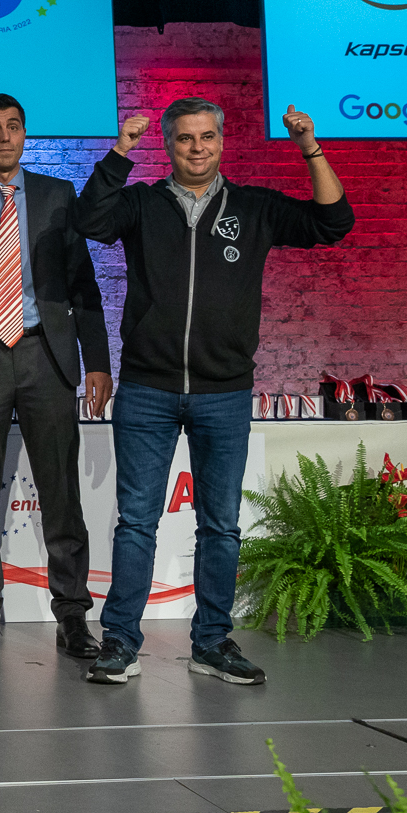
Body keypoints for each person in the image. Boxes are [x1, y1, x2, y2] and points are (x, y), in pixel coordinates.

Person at [75, 99, 351, 687]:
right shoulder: (142, 203)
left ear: (222, 142)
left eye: (206, 137)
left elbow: (333, 223)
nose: (196, 147)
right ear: (168, 145)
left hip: (223, 393)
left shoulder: (254, 207)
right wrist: (120, 150)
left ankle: (212, 642)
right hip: (146, 389)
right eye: (184, 138)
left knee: (221, 525)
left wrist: (309, 147)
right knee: (136, 523)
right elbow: (90, 220)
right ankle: (120, 641)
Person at [0, 93, 111, 661]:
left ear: (24, 133)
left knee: (61, 493)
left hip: (45, 354)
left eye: (13, 126)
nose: (5, 136)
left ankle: (73, 615)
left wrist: (98, 360)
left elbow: (84, 285)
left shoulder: (59, 197)